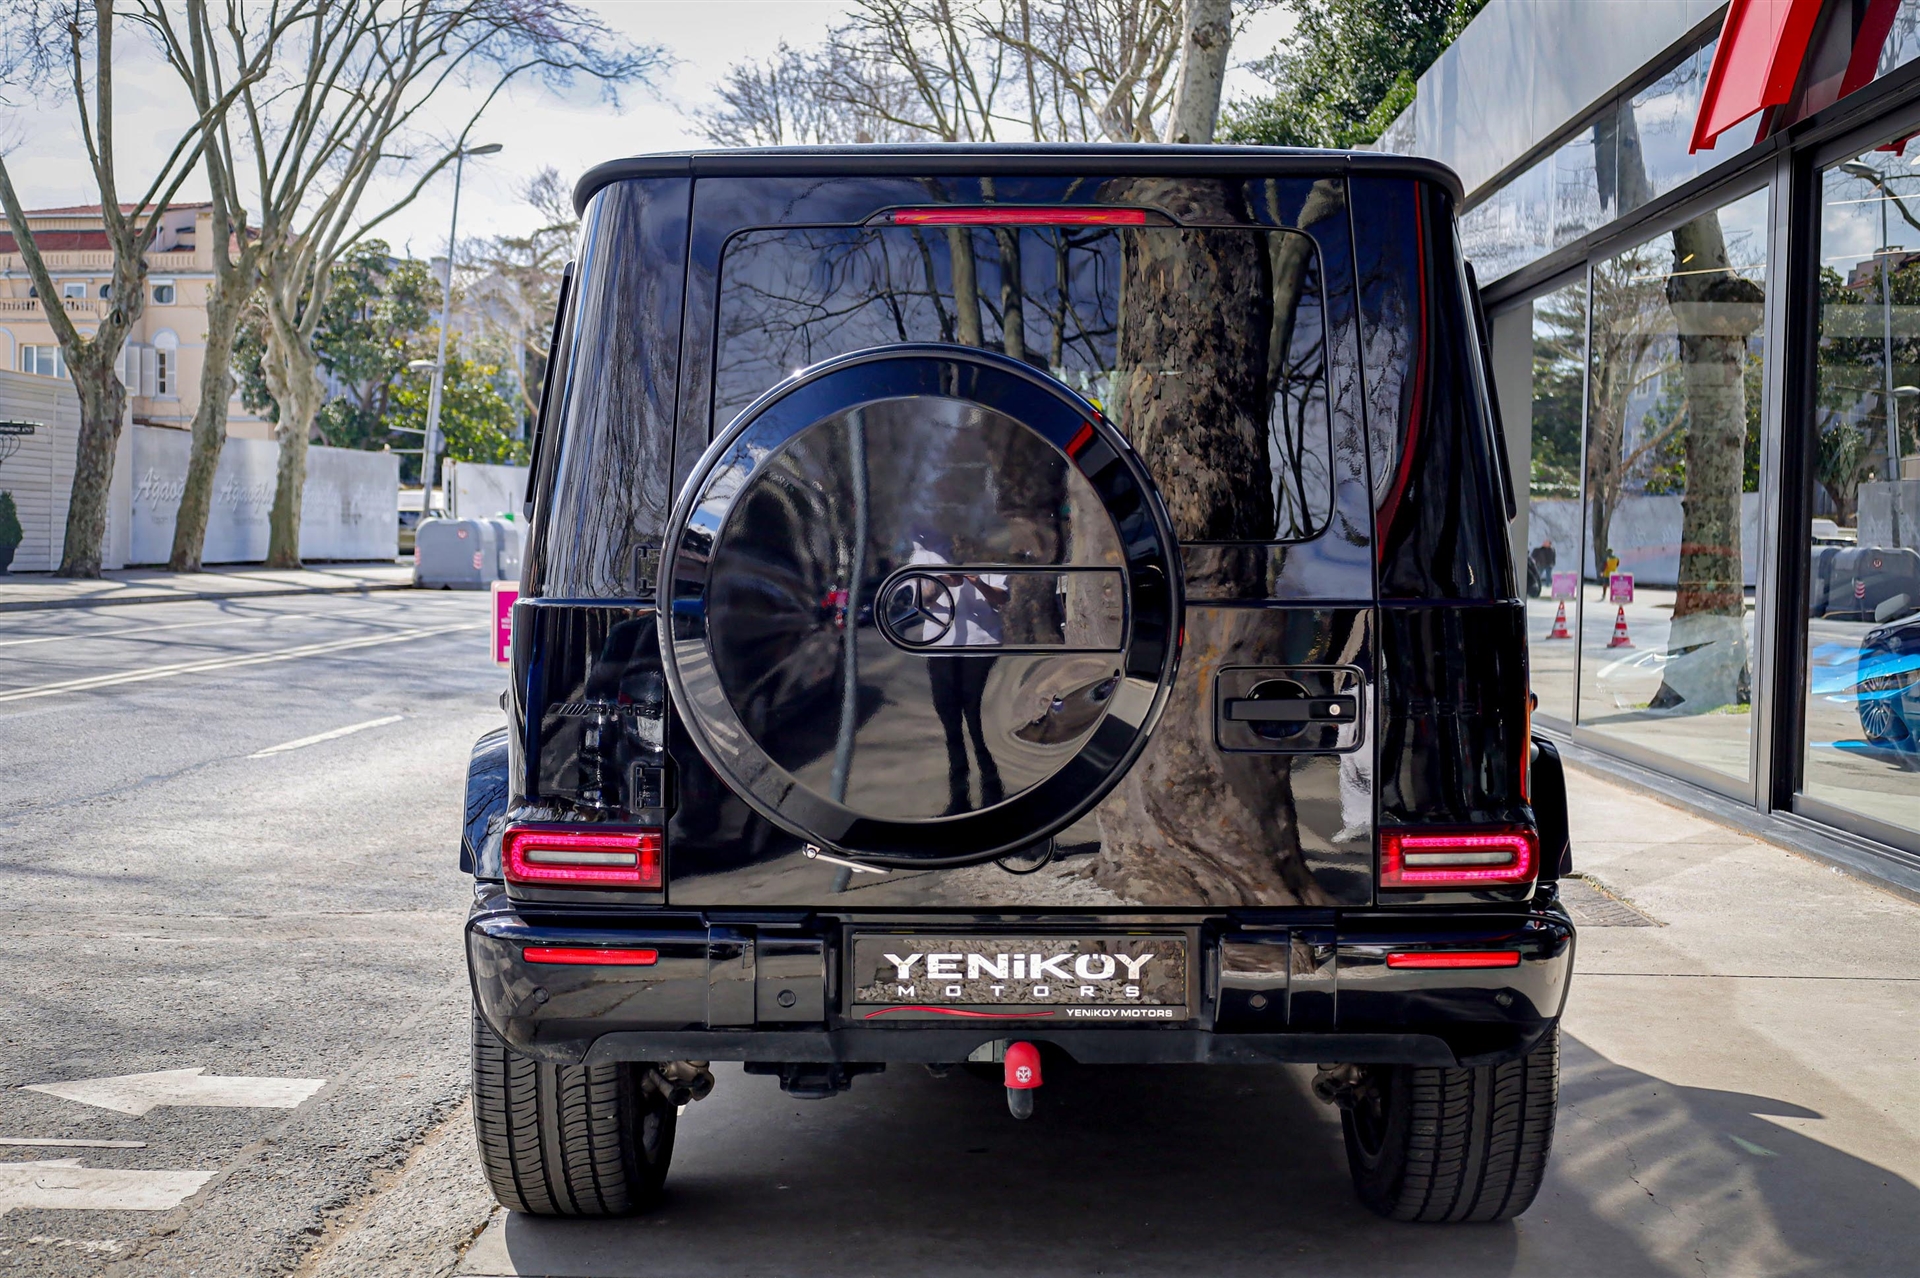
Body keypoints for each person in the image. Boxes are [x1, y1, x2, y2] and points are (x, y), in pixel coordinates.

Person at [909, 534, 1009, 815]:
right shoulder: (923, 556)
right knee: (951, 723)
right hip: (941, 647)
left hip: (980, 645)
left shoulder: (986, 552)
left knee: (981, 723)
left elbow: (1002, 597)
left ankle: (993, 793)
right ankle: (959, 796)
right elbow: (920, 601)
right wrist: (943, 582)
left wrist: (978, 583)